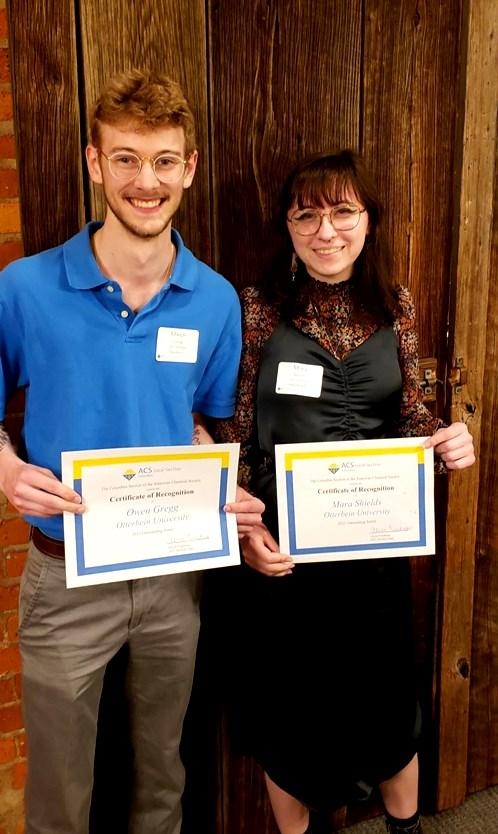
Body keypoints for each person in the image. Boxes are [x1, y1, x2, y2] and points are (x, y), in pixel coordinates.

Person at [0, 69, 262, 834]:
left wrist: (220, 483)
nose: (146, 182)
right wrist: (9, 470)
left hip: (173, 575)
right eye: (125, 159)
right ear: (95, 162)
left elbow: (202, 424)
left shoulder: (215, 300)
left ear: (189, 168)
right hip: (64, 574)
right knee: (58, 797)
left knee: (162, 780)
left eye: (163, 161)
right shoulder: (23, 288)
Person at [217, 150, 475, 834]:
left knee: (386, 704)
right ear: (287, 225)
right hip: (285, 555)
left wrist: (447, 442)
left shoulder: (395, 305)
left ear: (368, 220)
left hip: (375, 547)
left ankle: (405, 828)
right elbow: (236, 435)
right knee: (289, 713)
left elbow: (413, 420)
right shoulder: (257, 308)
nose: (325, 230)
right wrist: (246, 531)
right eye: (307, 215)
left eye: (342, 212)